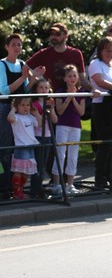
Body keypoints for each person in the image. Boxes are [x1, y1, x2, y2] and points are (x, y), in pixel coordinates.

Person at [0, 33, 44, 198]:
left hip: (19, 110)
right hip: (5, 109)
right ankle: (3, 188)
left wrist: (34, 78)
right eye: (14, 44)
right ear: (7, 46)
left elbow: (25, 90)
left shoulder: (22, 64)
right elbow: (4, 90)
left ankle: (15, 187)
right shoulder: (2, 65)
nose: (17, 47)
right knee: (6, 148)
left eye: (19, 44)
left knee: (18, 148)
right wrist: (24, 77)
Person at [88, 36, 112, 189]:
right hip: (102, 106)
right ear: (100, 51)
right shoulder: (95, 64)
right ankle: (100, 177)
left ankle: (110, 174)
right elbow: (99, 81)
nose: (110, 54)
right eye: (107, 50)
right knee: (105, 144)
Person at [51, 65, 85, 198]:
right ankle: (56, 184)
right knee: (60, 154)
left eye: (74, 76)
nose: (72, 78)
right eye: (69, 76)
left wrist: (74, 98)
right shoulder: (60, 91)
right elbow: (60, 111)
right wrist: (68, 98)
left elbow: (81, 112)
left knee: (73, 155)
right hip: (62, 126)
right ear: (65, 78)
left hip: (75, 126)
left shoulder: (81, 93)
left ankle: (70, 183)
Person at [26, 22, 91, 92]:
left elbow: (82, 78)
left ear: (66, 36)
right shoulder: (44, 53)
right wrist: (37, 82)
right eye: (52, 34)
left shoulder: (76, 53)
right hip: (50, 98)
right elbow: (24, 67)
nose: (54, 37)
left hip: (71, 97)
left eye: (57, 34)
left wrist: (93, 90)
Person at [7, 97, 41, 200]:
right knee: (19, 170)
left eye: (27, 105)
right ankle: (16, 192)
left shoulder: (30, 117)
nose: (25, 107)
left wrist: (36, 113)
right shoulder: (17, 117)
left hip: (30, 147)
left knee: (26, 171)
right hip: (21, 147)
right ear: (17, 107)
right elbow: (10, 118)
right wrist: (13, 109)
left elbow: (39, 123)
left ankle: (21, 190)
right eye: (22, 105)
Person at [29, 77, 58, 198]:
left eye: (46, 87)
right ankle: (35, 190)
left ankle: (38, 187)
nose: (44, 90)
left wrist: (51, 109)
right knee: (38, 165)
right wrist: (39, 112)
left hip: (47, 135)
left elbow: (55, 120)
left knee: (44, 163)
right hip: (37, 136)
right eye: (41, 87)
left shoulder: (49, 103)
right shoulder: (34, 104)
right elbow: (39, 122)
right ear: (36, 90)